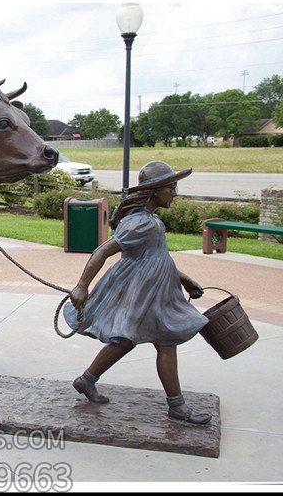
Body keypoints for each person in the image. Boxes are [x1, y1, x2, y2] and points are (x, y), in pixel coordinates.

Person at [64, 161, 212, 424]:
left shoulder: (151, 220)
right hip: (142, 292)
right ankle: (176, 406)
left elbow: (157, 256)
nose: (175, 193)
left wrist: (184, 279)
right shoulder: (140, 223)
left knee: (127, 339)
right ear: (155, 191)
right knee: (164, 341)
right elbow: (103, 251)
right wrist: (82, 285)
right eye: (171, 188)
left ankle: (86, 380)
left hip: (153, 291)